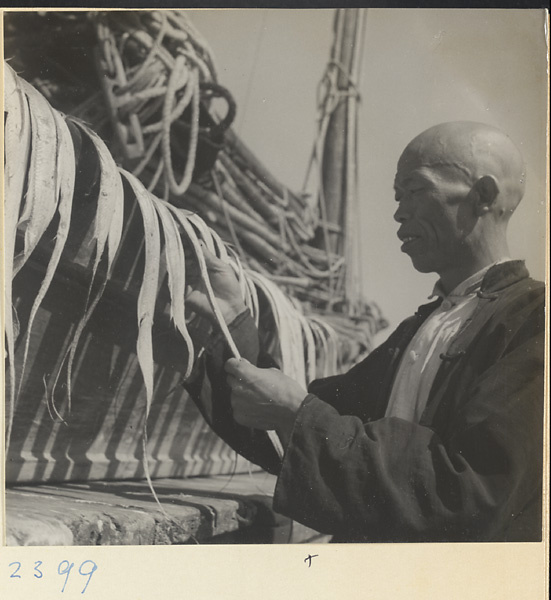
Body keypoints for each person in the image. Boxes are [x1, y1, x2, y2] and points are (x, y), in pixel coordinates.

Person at [184, 121, 545, 543]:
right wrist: (233, 320)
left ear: (483, 196)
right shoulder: (421, 330)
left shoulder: (533, 320)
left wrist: (298, 414)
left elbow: (475, 492)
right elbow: (301, 435)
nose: (398, 212)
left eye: (414, 190)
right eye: (397, 197)